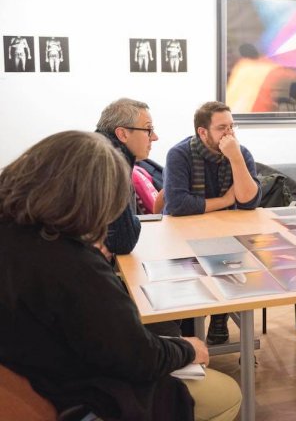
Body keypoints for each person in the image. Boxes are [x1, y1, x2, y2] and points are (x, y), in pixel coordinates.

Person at [0, 131, 241, 421]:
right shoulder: (72, 266)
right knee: (226, 394)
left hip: (25, 373)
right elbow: (137, 356)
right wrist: (186, 349)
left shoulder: (18, 235)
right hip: (64, 392)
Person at [164, 101, 262, 344]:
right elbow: (178, 205)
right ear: (202, 132)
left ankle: (220, 317)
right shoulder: (180, 154)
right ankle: (188, 336)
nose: (229, 134)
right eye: (221, 128)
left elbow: (249, 202)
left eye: (231, 126)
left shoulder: (240, 153)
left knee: (236, 257)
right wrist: (225, 199)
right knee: (192, 282)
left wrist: (236, 159)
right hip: (183, 235)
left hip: (226, 235)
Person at [95, 98, 159, 257]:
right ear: (122, 134)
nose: (155, 137)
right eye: (148, 130)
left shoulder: (99, 150)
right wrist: (133, 222)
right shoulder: (109, 160)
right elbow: (123, 241)